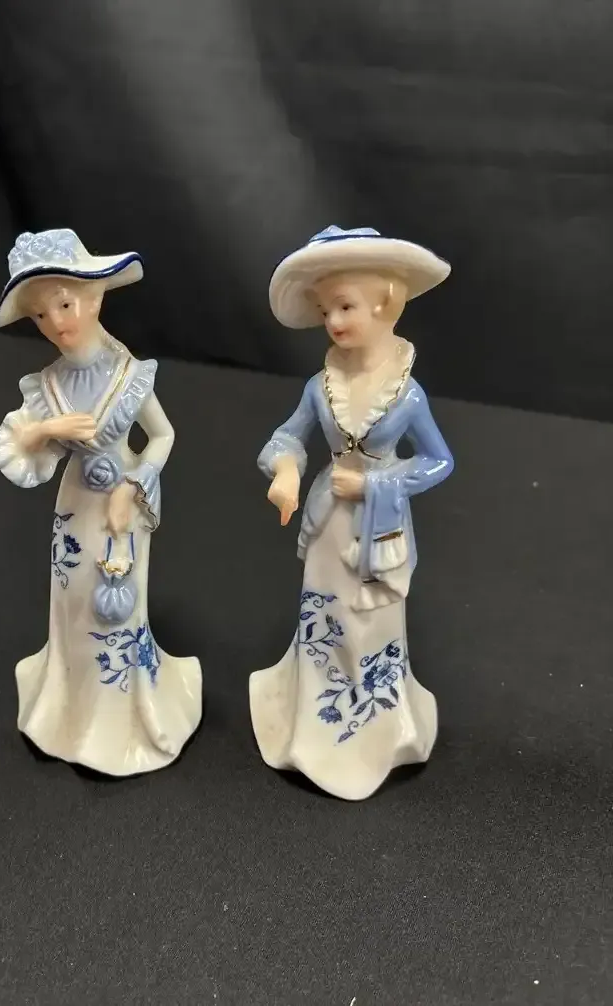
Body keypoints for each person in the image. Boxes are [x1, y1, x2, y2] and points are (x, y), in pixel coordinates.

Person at [250, 225, 454, 800]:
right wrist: (286, 471)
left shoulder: (407, 394)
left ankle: (376, 717)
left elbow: (439, 461)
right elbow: (286, 437)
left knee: (373, 620)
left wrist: (376, 482)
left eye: (345, 306)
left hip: (379, 529)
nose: (334, 321)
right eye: (325, 311)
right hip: (328, 524)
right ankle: (318, 715)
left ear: (386, 302)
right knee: (325, 615)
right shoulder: (322, 386)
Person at [0, 228, 202, 776]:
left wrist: (134, 486)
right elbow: (13, 443)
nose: (56, 321)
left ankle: (120, 708)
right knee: (74, 600)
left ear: (95, 297)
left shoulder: (128, 375)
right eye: (41, 314)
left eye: (64, 304)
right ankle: (73, 701)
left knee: (119, 601)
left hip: (121, 507)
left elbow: (163, 436)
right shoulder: (48, 385)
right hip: (76, 506)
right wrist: (48, 430)